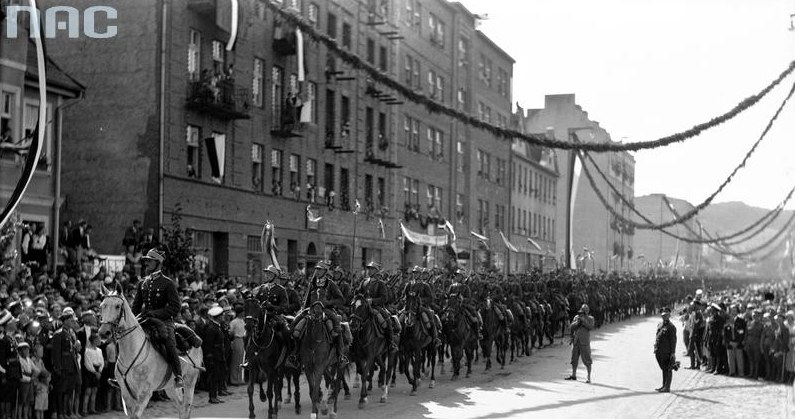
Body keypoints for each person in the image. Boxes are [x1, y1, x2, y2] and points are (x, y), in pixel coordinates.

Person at [130, 249, 184, 388]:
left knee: (168, 341)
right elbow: (136, 306)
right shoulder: (143, 282)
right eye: (146, 260)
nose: (146, 263)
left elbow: (175, 307)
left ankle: (178, 376)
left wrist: (156, 313)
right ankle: (122, 375)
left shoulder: (167, 283)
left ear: (158, 263)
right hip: (144, 319)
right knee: (128, 338)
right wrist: (132, 320)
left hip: (163, 320)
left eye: (150, 260)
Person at [357, 261, 397, 353]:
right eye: (369, 269)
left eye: (372, 269)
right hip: (363, 307)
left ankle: (390, 343)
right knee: (353, 319)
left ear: (376, 271)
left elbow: (384, 298)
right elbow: (359, 293)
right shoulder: (364, 282)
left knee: (386, 320)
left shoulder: (381, 283)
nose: (369, 271)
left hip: (376, 307)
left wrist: (372, 301)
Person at [51, 307, 80, 419]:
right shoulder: (58, 334)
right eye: (70, 319)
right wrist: (58, 368)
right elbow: (56, 353)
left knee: (69, 391)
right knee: (61, 392)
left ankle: (67, 412)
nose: (72, 321)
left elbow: (73, 350)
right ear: (65, 320)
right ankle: (60, 413)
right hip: (64, 366)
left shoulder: (71, 333)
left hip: (71, 365)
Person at [565, 304, 594, 383]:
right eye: (583, 310)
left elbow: (590, 327)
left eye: (585, 310)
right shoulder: (576, 318)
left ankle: (588, 377)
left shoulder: (590, 318)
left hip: (584, 342)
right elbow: (571, 327)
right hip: (576, 341)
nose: (584, 312)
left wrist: (584, 321)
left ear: (588, 311)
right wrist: (577, 323)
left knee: (587, 360)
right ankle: (573, 375)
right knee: (574, 359)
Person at [203, 306, 225, 404]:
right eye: (221, 315)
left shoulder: (217, 327)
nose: (223, 317)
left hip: (219, 355)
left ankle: (215, 395)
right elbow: (208, 344)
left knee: (217, 376)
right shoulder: (212, 328)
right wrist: (210, 357)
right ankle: (212, 397)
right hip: (214, 356)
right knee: (213, 377)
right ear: (218, 317)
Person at [654, 307, 677, 393]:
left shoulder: (671, 327)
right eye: (663, 315)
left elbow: (673, 340)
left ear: (669, 315)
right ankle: (664, 385)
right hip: (659, 350)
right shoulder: (660, 324)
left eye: (666, 315)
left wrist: (673, 353)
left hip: (667, 351)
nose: (665, 317)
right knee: (663, 368)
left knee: (668, 368)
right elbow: (657, 337)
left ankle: (667, 387)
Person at [81, 333, 102, 415]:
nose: (100, 341)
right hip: (90, 371)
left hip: (97, 370)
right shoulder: (87, 351)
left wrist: (99, 371)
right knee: (88, 391)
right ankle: (84, 410)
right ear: (94, 341)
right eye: (98, 339)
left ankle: (92, 409)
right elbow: (88, 363)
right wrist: (94, 372)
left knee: (94, 391)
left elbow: (101, 361)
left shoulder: (99, 350)